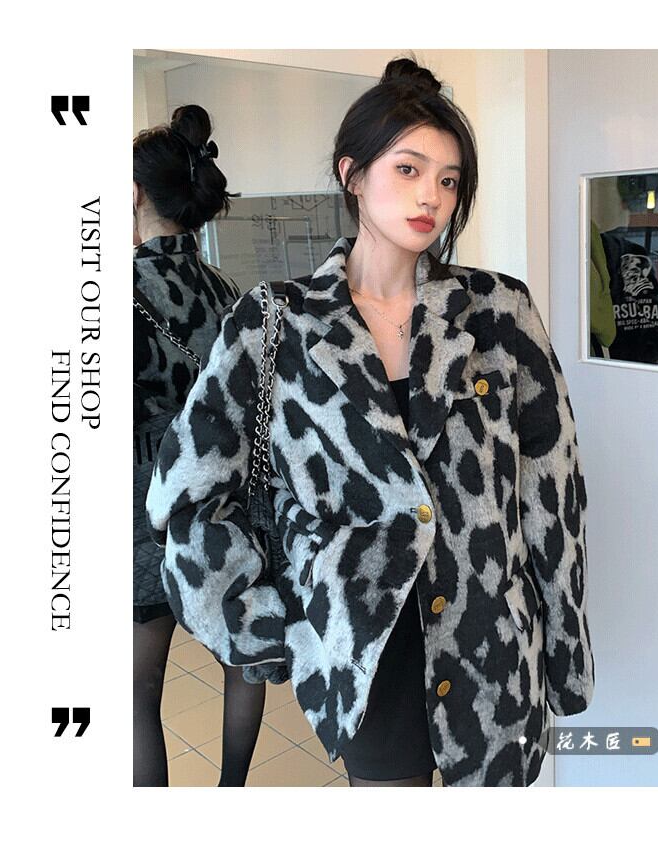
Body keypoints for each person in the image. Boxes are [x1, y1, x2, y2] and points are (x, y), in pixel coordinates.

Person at [147, 59, 595, 787]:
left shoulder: (498, 313)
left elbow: (554, 490)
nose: (431, 196)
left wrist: (565, 649)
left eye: (449, 180)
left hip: (492, 650)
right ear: (352, 175)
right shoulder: (278, 322)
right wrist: (271, 626)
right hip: (366, 661)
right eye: (408, 169)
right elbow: (187, 493)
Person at [133, 104, 266, 786]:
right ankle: (230, 796)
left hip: (144, 512)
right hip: (223, 503)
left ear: (133, 195)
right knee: (242, 659)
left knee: (137, 691)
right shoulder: (230, 292)